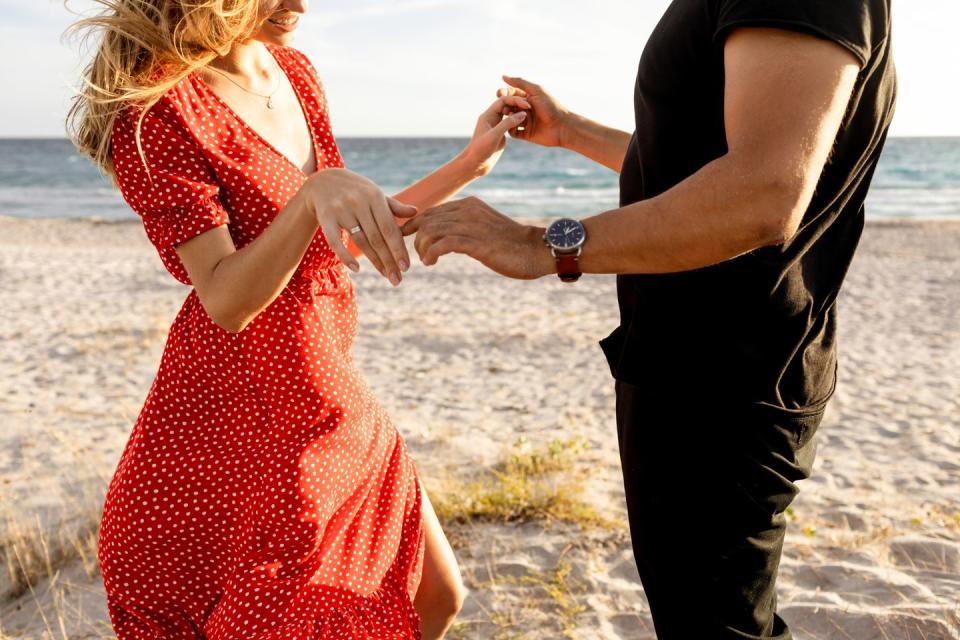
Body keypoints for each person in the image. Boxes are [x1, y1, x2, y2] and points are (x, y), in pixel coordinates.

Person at [403, 1, 896, 638]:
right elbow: (699, 162)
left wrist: (541, 245)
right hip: (689, 365)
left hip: (725, 379)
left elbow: (764, 190)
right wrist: (572, 131)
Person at [66, 0, 529, 637]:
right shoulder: (156, 107)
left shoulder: (296, 71)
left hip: (328, 386)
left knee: (436, 597)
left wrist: (471, 163)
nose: (301, 4)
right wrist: (314, 195)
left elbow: (337, 233)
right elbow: (225, 300)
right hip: (238, 418)